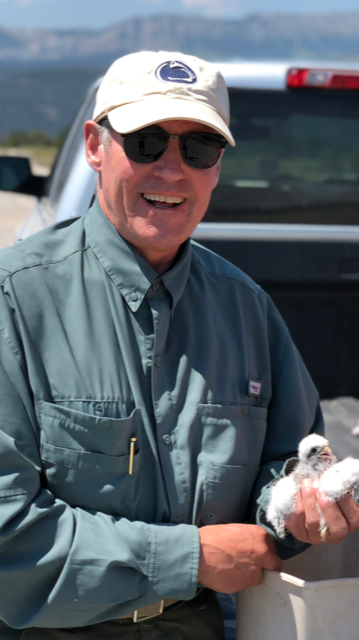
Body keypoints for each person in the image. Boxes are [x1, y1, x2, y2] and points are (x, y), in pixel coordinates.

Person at [0, 51, 358, 640]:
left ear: (217, 168)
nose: (172, 169)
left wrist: (291, 510)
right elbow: (9, 531)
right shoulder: (15, 302)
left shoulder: (249, 310)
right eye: (146, 142)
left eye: (199, 149)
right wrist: (187, 558)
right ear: (95, 145)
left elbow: (282, 473)